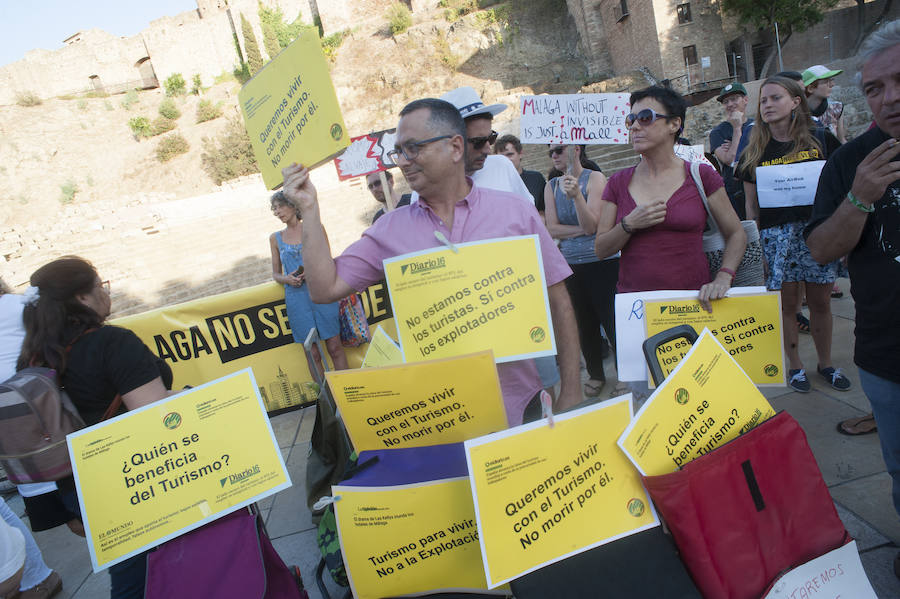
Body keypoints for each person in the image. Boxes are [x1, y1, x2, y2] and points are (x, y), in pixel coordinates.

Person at [281, 98, 582, 424]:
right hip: (440, 418)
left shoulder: (514, 212)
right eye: (399, 151)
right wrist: (309, 210)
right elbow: (324, 288)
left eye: (413, 148)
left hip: (520, 406)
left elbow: (558, 300)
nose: (403, 162)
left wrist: (571, 388)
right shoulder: (389, 230)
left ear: (455, 147)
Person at [16, 257, 174, 599]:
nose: (106, 292)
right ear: (82, 298)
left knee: (134, 572)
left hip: (78, 489)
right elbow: (155, 418)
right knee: (148, 576)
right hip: (141, 478)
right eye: (101, 285)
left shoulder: (32, 357)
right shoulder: (113, 343)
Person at [804, 19, 900, 577]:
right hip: (888, 352)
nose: (890, 98)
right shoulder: (849, 162)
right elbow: (821, 249)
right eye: (875, 88)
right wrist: (861, 197)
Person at [438, 87, 562, 402]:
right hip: (469, 319)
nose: (487, 148)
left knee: (543, 389)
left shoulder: (501, 167)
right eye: (478, 141)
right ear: (453, 142)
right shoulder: (429, 190)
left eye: (490, 138)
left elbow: (532, 226)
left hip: (522, 305)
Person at [737, 75, 848, 394]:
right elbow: (751, 206)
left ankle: (825, 364)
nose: (768, 105)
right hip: (776, 238)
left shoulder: (820, 139)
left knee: (821, 302)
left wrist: (842, 235)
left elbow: (841, 185)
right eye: (763, 100)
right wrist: (757, 249)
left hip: (817, 232)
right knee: (787, 306)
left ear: (796, 102)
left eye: (776, 98)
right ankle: (796, 366)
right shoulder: (755, 149)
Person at [594, 86, 745, 306]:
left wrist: (724, 277)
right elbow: (601, 249)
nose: (634, 126)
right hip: (637, 308)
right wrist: (628, 224)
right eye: (631, 119)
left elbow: (736, 233)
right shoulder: (617, 182)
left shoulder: (701, 175)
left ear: (674, 124)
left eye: (645, 118)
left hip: (693, 303)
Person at [0, 283, 63, 599]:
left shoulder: (20, 305)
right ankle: (34, 579)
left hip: (29, 421)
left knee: (70, 508)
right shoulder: (20, 304)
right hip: (29, 417)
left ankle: (33, 579)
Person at [544, 144, 618, 397]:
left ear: (575, 148)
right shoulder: (551, 186)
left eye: (558, 149)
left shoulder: (594, 178)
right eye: (550, 151)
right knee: (584, 324)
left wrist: (577, 197)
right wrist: (582, 230)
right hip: (571, 264)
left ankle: (624, 373)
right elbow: (551, 229)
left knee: (611, 320)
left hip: (602, 260)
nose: (554, 155)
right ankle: (596, 374)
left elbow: (592, 225)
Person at [269, 191, 348, 372]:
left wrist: (312, 271)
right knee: (312, 354)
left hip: (322, 292)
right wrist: (287, 279)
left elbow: (329, 259)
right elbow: (275, 274)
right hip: (297, 300)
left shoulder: (316, 228)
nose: (277, 211)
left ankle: (348, 387)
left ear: (293, 205)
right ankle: (323, 390)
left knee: (335, 347)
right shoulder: (275, 238)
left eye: (281, 206)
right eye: (274, 208)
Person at [709, 82, 754, 219]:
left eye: (734, 99)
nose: (730, 104)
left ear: (745, 100)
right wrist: (737, 129)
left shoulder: (757, 126)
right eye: (726, 101)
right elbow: (730, 160)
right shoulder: (718, 132)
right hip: (735, 191)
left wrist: (737, 145)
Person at [494, 134, 547, 214]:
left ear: (520, 154)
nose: (506, 160)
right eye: (501, 157)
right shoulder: (493, 184)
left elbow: (543, 210)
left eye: (510, 154)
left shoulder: (536, 179)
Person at [802, 64, 848, 144]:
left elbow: (841, 140)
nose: (832, 84)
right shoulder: (797, 113)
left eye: (831, 80)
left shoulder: (836, 108)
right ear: (810, 88)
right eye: (826, 81)